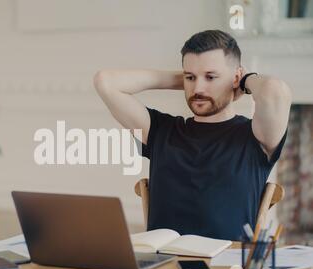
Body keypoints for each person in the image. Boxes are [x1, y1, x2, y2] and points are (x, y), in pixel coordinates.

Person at [93, 30, 292, 240]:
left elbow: (275, 90)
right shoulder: (160, 130)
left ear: (235, 77)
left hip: (226, 267)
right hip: (163, 264)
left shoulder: (255, 138)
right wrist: (187, 79)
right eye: (190, 77)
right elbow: (105, 82)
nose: (197, 88)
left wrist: (244, 80)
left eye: (210, 77)